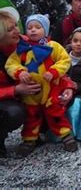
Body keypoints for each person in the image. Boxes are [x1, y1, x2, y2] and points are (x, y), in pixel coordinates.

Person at [0, 11, 75, 158]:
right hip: (12, 98)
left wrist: (68, 86)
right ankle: (25, 140)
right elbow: (12, 65)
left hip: (44, 91)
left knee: (54, 113)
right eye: (10, 29)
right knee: (19, 114)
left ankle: (66, 136)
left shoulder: (27, 42)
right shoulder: (19, 51)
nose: (18, 31)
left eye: (16, 25)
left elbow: (59, 61)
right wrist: (15, 89)